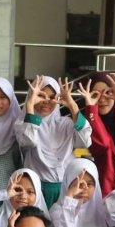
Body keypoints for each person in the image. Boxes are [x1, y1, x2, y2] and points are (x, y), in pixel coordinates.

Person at [15, 76, 95, 208]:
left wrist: (72, 105)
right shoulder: (23, 123)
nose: (47, 101)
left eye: (52, 97)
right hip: (35, 190)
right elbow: (29, 140)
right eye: (41, 95)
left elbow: (85, 142)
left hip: (66, 188)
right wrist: (29, 105)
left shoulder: (66, 123)